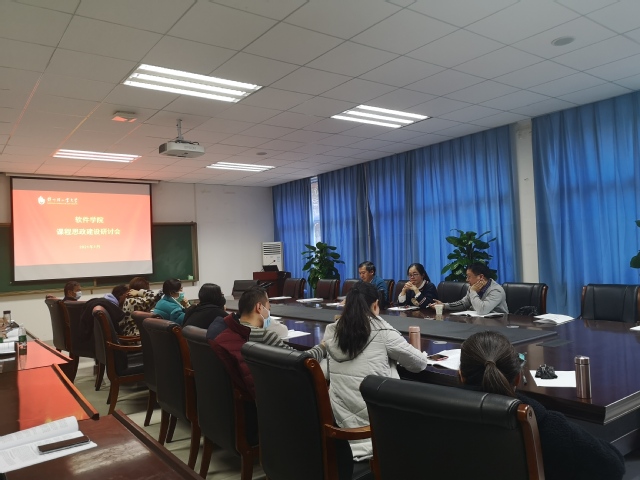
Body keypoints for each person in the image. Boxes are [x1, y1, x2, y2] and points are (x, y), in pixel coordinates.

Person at [458, 331, 625, 480]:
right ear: (518, 378)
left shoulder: (443, 415)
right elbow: (613, 467)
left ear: (460, 376)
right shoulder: (547, 428)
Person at [322, 281, 428, 460]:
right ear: (375, 305)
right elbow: (419, 364)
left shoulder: (332, 331)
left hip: (341, 425)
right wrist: (379, 321)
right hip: (378, 426)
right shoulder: (382, 330)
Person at [209, 287, 326, 397]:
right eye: (268, 305)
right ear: (259, 307)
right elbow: (301, 360)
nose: (269, 309)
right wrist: (322, 347)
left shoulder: (231, 329)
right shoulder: (264, 336)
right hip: (274, 393)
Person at [430, 262, 508, 315]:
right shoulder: (472, 287)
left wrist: (473, 291)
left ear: (481, 277)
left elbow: (482, 310)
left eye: (469, 276)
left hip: (497, 324)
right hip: (478, 321)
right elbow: (464, 303)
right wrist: (444, 305)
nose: (467, 280)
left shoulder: (496, 290)